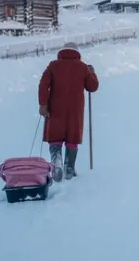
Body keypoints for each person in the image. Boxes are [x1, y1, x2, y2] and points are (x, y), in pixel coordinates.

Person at [38, 42, 99, 181]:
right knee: (72, 138)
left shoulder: (53, 66)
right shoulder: (83, 67)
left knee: (55, 136)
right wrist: (92, 73)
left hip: (55, 108)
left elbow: (43, 84)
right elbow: (92, 86)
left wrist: (43, 104)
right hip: (75, 110)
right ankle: (69, 168)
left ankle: (56, 160)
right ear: (77, 53)